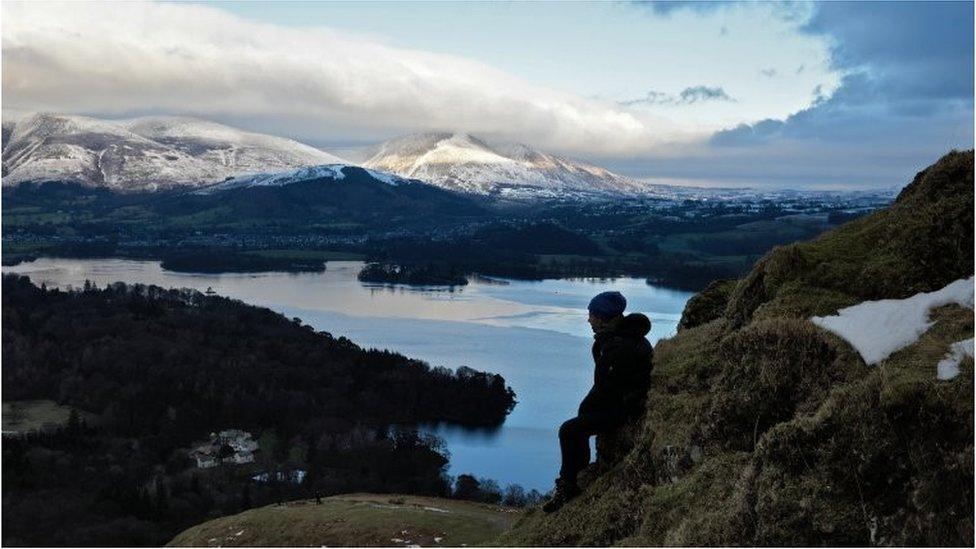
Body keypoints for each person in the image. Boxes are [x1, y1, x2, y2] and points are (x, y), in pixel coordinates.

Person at [542, 291, 653, 513]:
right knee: (577, 427)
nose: (588, 319)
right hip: (624, 402)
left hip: (625, 409)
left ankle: (568, 485)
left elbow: (610, 388)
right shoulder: (621, 337)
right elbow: (607, 384)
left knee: (569, 430)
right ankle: (579, 476)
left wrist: (588, 408)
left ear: (602, 317)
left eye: (591, 314)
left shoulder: (618, 346)